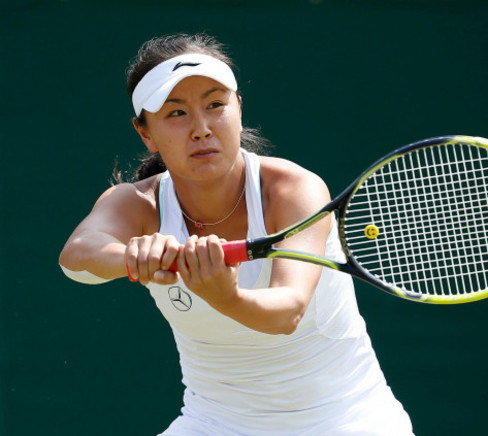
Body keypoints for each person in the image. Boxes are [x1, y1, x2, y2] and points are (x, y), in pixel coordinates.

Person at [59, 33, 414, 435]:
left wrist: (226, 296)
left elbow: (287, 311)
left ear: (239, 110)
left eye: (215, 105)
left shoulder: (293, 190)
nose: (201, 128)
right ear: (146, 133)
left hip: (344, 422)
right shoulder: (138, 205)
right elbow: (77, 257)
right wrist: (133, 256)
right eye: (176, 114)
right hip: (212, 424)